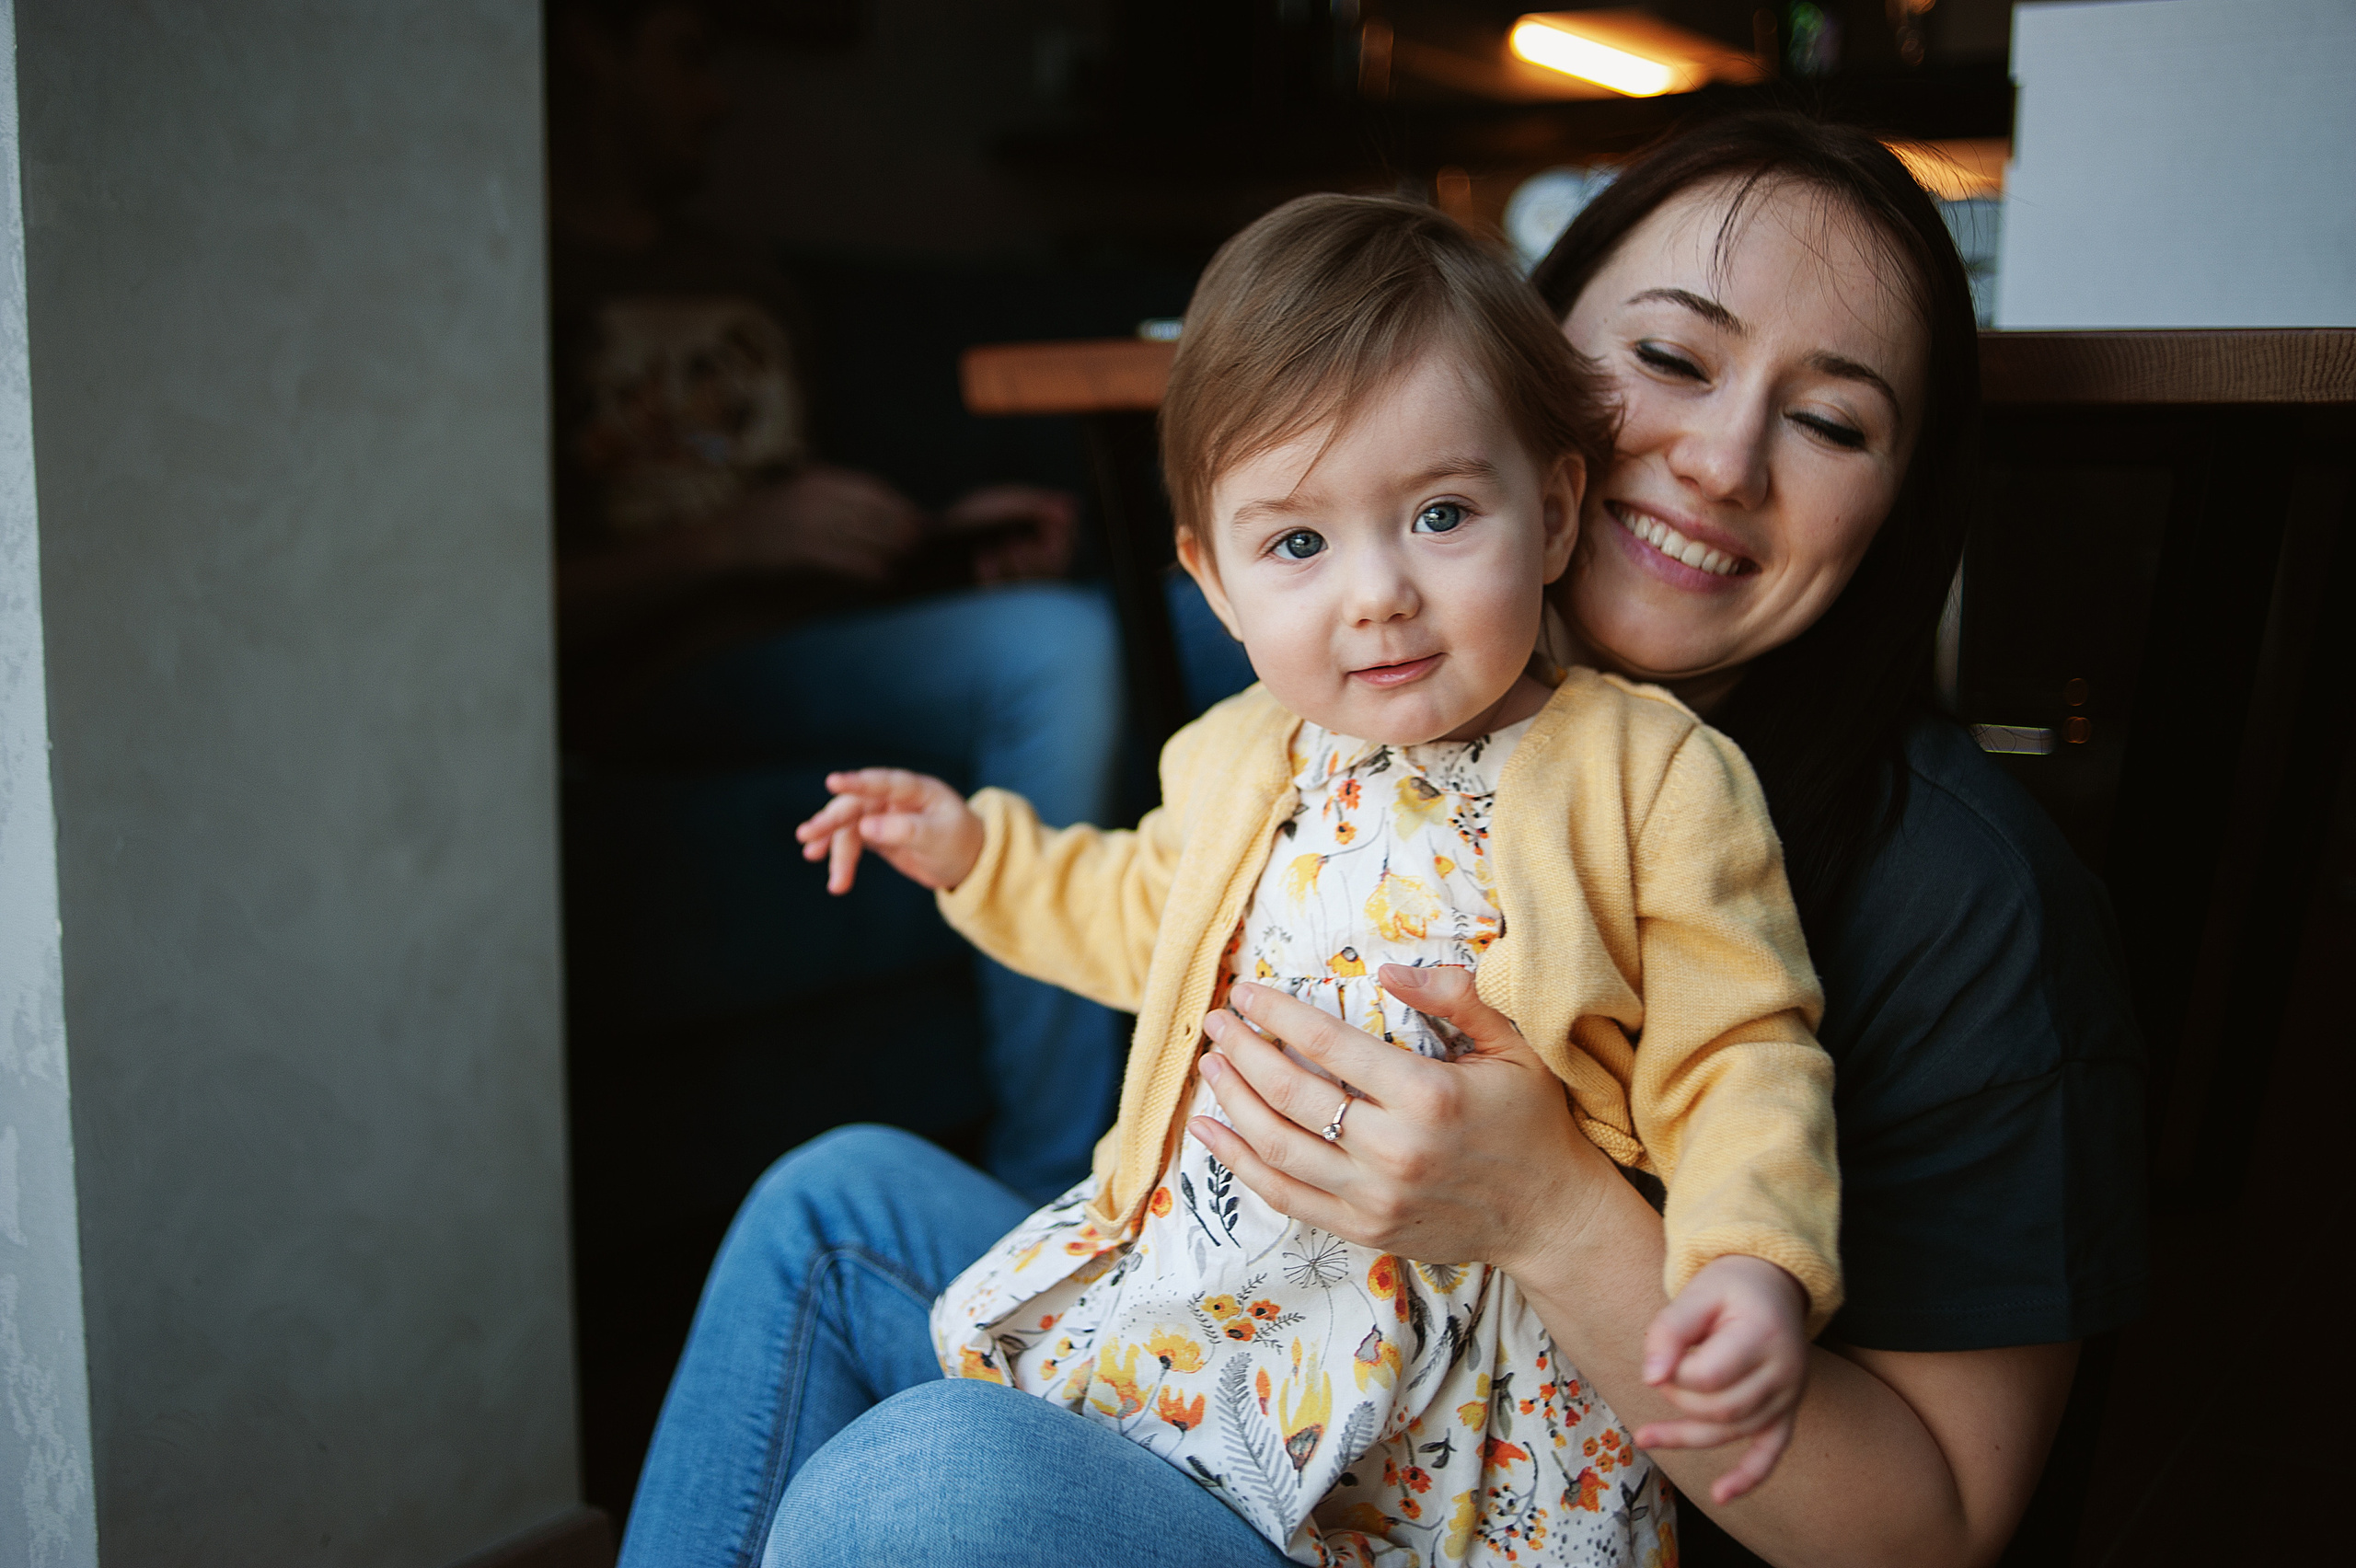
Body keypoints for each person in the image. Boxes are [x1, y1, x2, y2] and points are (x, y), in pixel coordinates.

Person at [618, 114, 2146, 1568]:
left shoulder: (1882, 868)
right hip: (1241, 1349)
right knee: (832, 1209)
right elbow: (1149, 898)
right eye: (1670, 357)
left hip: (1455, 1479)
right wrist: (980, 856)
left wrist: (1555, 1209)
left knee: (919, 1485)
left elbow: (1758, 1092)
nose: (1723, 460)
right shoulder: (1288, 735)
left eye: (1830, 422)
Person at [787, 193, 1842, 1565]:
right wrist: (984, 854)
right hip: (1208, 1346)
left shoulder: (1650, 774)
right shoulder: (1233, 757)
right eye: (1298, 543)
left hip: (1474, 1431)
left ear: (1559, 508)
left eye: (1443, 513)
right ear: (1214, 584)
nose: (1377, 594)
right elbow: (1137, 915)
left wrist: (1751, 1268)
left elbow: (1746, 1055)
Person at [549, 0, 1126, 1200]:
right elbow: (488, 611)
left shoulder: (736, 273)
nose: (718, 97)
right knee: (1060, 651)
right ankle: (1056, 1195)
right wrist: (731, 543)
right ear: (590, 49)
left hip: (811, 638)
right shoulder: (523, 279)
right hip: (651, 674)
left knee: (1203, 612)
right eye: (691, 55)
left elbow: (795, 519)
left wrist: (933, 551)